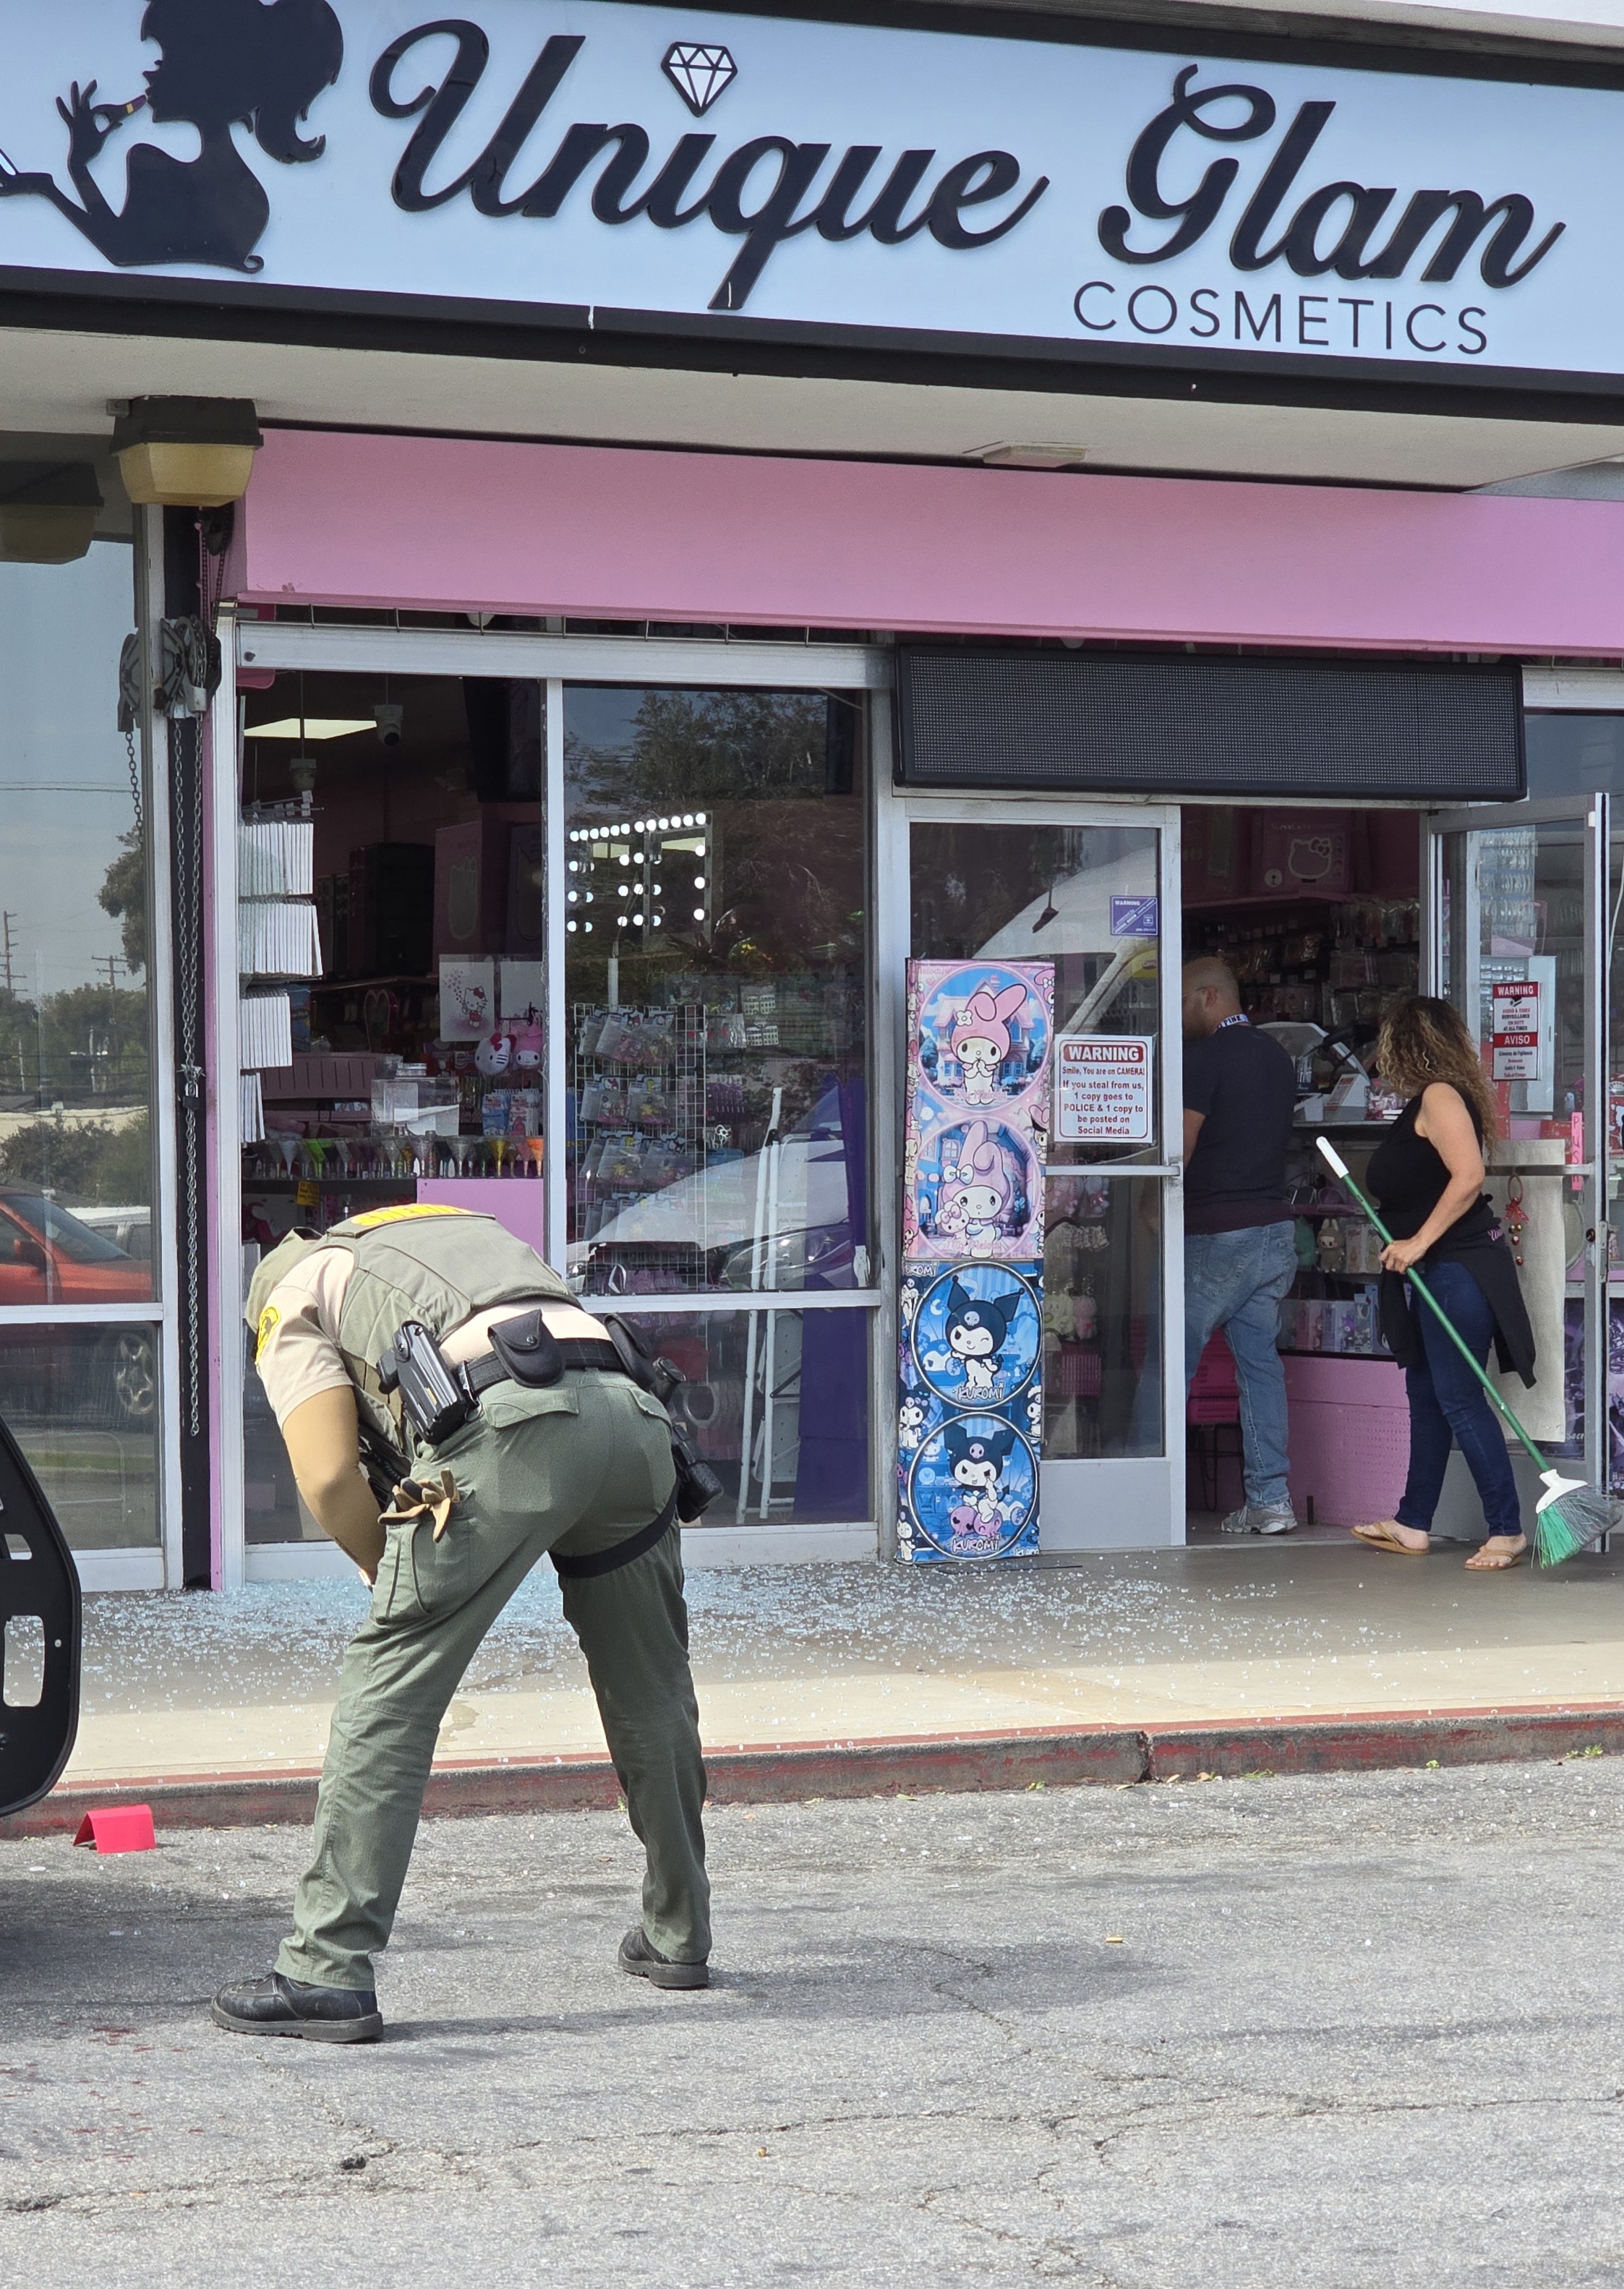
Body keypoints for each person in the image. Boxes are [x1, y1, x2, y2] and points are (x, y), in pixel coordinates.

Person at [211, 1203, 710, 2044]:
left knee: (388, 1693)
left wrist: (385, 1568)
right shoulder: (448, 1228)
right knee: (650, 1684)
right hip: (634, 1424)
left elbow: (331, 1476)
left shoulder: (286, 1287)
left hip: (509, 1426)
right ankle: (679, 1934)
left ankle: (326, 1969)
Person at [1350, 995, 1535, 1571]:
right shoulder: (1426, 1101)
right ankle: (1413, 1522)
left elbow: (1470, 1176)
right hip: (1438, 1269)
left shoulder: (1439, 1096)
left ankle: (1506, 1529)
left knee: (1457, 1397)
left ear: (1405, 1043)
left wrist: (1419, 1242)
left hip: (1460, 1267)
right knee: (1427, 1395)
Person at [1181, 956, 1300, 1534]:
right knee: (1260, 1368)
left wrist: (1151, 1206)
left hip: (1214, 1233)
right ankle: (1271, 1500)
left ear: (1209, 997)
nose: (1177, 1016)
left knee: (1168, 1359)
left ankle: (1148, 1495)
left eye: (1181, 1002)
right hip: (1274, 1230)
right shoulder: (1278, 1057)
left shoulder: (1204, 1058)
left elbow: (1179, 1150)